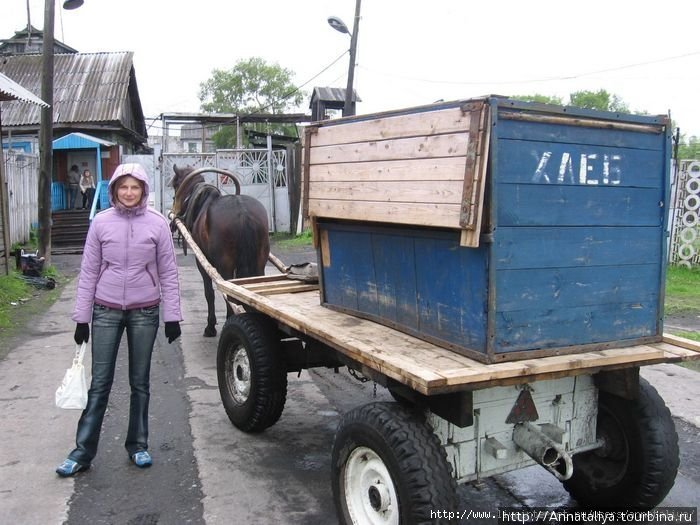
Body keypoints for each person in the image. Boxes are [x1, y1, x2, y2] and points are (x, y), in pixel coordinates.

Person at [56, 163, 183, 477]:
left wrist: (172, 316)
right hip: (106, 310)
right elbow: (87, 273)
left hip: (145, 311)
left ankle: (138, 446)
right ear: (114, 189)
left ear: (143, 190)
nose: (129, 192)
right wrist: (81, 318)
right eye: (123, 187)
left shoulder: (157, 224)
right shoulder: (101, 222)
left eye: (135, 187)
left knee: (139, 383)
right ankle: (82, 452)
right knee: (100, 385)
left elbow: (168, 272)